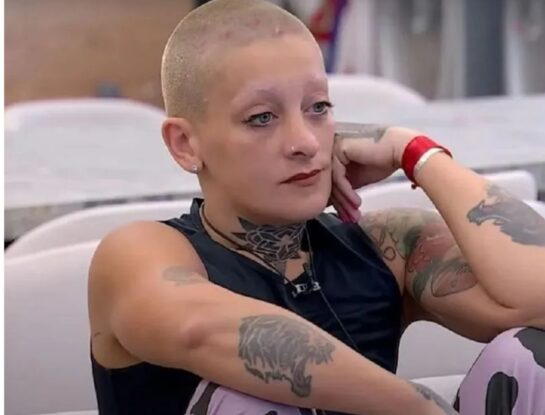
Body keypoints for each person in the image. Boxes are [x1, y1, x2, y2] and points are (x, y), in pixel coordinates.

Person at [88, 1, 545, 414]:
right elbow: (200, 330)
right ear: (185, 144)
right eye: (261, 118)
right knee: (253, 398)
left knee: (529, 353)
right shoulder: (139, 252)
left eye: (318, 108)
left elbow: (535, 302)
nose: (305, 142)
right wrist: (417, 407)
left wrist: (416, 153)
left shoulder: (388, 246)